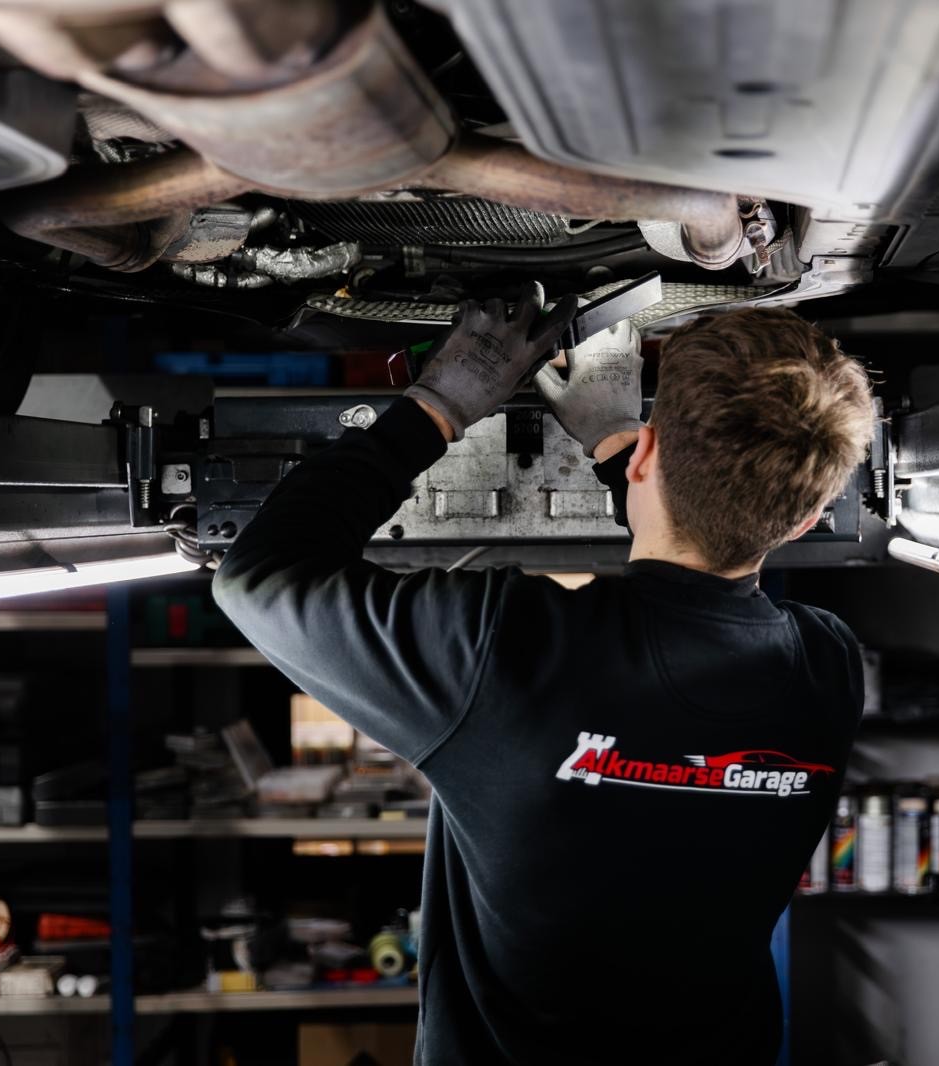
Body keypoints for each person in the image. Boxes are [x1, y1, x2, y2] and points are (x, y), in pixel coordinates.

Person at [212, 282, 876, 1066]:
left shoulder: (503, 654)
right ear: (806, 520)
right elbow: (701, 560)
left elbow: (256, 577)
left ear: (653, 453)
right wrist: (619, 453)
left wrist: (438, 406)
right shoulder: (825, 670)